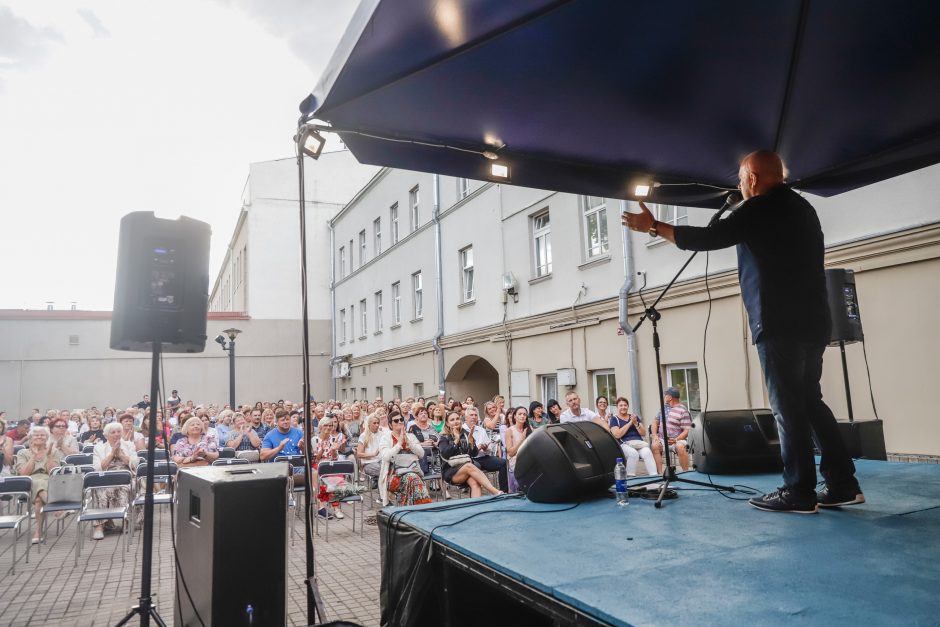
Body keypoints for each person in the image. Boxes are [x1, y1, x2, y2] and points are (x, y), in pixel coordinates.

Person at [623, 149, 863, 513]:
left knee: (788, 408)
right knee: (809, 402)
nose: (738, 185)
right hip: (814, 322)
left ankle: (799, 490)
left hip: (779, 323)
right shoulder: (802, 208)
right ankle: (843, 483)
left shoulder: (759, 209)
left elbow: (706, 238)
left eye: (740, 179)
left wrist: (654, 227)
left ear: (752, 179)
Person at [14, 426, 64, 543]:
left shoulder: (54, 451)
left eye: (42, 435)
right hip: (28, 482)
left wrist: (49, 455)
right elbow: (24, 473)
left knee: (38, 500)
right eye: (36, 435)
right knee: (37, 481)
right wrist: (33, 456)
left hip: (49, 481)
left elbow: (52, 472)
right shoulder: (23, 453)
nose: (39, 437)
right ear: (30, 438)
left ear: (46, 438)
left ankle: (38, 531)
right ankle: (56, 508)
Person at [91, 422, 139, 539]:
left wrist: (121, 455)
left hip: (126, 476)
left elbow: (135, 463)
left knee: (128, 487)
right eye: (113, 432)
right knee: (100, 490)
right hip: (106, 477)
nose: (117, 434)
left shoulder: (129, 445)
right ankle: (99, 526)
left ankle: (127, 521)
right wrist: (112, 453)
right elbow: (98, 467)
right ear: (106, 435)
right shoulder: (99, 447)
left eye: (119, 432)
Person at [438, 412, 502, 498]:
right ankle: (494, 491)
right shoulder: (444, 437)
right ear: (447, 423)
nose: (456, 421)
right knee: (469, 465)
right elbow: (445, 454)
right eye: (452, 420)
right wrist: (456, 440)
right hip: (450, 471)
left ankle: (475, 508)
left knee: (475, 482)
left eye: (457, 419)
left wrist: (472, 442)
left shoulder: (465, 433)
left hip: (466, 469)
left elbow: (473, 454)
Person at [377, 411, 432, 507]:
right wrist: (399, 443)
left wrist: (409, 443)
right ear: (390, 424)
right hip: (393, 476)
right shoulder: (385, 438)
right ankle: (425, 507)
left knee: (412, 479)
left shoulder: (410, 436)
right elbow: (386, 457)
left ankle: (409, 510)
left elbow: (421, 454)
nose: (399, 422)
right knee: (413, 479)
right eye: (396, 420)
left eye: (401, 419)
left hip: (413, 472)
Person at [463, 407, 508, 492]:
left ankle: (504, 492)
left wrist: (486, 448)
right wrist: (477, 448)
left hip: (483, 457)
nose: (474, 417)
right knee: (475, 467)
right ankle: (477, 492)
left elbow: (489, 449)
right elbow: (463, 450)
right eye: (471, 415)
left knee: (503, 463)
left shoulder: (481, 430)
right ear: (466, 417)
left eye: (476, 415)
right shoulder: (462, 430)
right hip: (469, 460)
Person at [609, 397, 656, 477]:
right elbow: (617, 434)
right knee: (633, 454)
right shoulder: (614, 419)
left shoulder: (634, 417)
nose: (623, 407)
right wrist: (630, 423)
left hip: (638, 443)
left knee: (647, 452)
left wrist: (636, 423)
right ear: (617, 407)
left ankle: (654, 476)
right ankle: (630, 478)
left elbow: (643, 433)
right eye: (621, 405)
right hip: (624, 444)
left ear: (628, 406)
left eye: (625, 405)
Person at [649, 387, 692, 473]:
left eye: (665, 395)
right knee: (655, 446)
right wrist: (655, 435)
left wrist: (676, 440)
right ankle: (660, 474)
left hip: (678, 439)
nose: (664, 397)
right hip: (662, 439)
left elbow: (687, 430)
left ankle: (686, 473)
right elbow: (654, 422)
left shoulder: (683, 410)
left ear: (670, 397)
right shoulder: (663, 408)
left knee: (680, 446)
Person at [260, 409, 306, 484]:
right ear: (277, 422)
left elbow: (308, 454)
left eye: (287, 419)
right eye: (283, 420)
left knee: (311, 472)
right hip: (278, 469)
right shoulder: (270, 435)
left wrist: (302, 447)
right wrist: (279, 448)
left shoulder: (298, 432)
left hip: (297, 468)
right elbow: (262, 456)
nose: (286, 422)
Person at [504, 406, 532, 492]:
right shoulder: (510, 430)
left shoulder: (529, 429)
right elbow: (511, 453)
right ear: (514, 416)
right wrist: (522, 439)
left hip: (528, 460)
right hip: (516, 462)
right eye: (520, 414)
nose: (522, 416)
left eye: (524, 414)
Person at [407, 406, 439, 475]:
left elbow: (438, 440)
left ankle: (441, 485)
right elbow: (409, 443)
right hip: (419, 456)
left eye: (425, 413)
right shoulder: (413, 428)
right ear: (417, 417)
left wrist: (434, 443)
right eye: (421, 413)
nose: (424, 414)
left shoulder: (432, 428)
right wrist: (422, 444)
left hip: (434, 453)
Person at [356, 415, 382, 482]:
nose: (377, 425)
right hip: (369, 463)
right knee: (382, 470)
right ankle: (377, 479)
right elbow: (359, 454)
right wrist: (373, 454)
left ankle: (376, 480)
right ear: (369, 424)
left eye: (378, 423)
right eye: (374, 423)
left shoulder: (382, 434)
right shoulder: (363, 435)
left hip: (380, 460)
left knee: (390, 467)